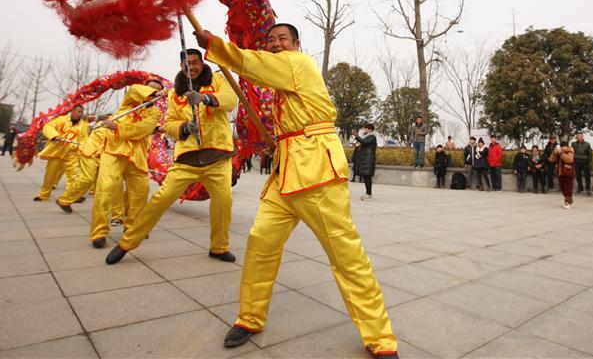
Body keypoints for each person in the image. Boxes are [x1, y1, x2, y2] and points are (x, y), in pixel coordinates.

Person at [195, 23, 397, 357]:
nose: (275, 44)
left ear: (296, 44)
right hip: (285, 173)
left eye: (282, 39)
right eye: (270, 40)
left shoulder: (298, 63)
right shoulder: (282, 80)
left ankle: (381, 339)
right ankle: (250, 317)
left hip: (317, 172)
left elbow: (254, 64)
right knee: (261, 242)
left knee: (345, 255)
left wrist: (215, 45)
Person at [106, 54, 237, 265]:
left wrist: (205, 99)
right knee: (160, 200)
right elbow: (168, 124)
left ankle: (219, 247)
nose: (191, 67)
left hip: (218, 156)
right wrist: (185, 127)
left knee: (224, 202)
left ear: (202, 63)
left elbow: (231, 100)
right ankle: (126, 243)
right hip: (187, 159)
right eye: (187, 64)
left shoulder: (218, 80)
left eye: (195, 63)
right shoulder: (175, 93)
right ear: (181, 66)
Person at [88, 81, 163, 248]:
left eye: (158, 90)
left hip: (137, 155)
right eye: (151, 88)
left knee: (141, 192)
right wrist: (152, 93)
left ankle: (132, 228)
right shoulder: (129, 102)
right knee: (105, 188)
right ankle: (99, 232)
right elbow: (135, 89)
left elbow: (143, 129)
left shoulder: (155, 113)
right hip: (113, 150)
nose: (154, 91)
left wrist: (118, 128)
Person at [55, 115, 125, 222]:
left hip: (103, 158)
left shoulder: (113, 126)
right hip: (90, 154)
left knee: (112, 183)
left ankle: (116, 214)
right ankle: (64, 200)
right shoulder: (102, 127)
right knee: (88, 178)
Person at [33, 106, 89, 202]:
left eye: (81, 112)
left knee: (74, 175)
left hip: (71, 154)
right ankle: (44, 195)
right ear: (72, 111)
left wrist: (82, 146)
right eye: (78, 112)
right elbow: (48, 126)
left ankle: (73, 195)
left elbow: (84, 138)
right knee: (50, 175)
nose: (80, 114)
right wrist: (54, 136)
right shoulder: (61, 119)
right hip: (56, 152)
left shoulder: (83, 125)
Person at [354, 123, 378, 200]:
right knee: (366, 177)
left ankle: (369, 194)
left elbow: (365, 142)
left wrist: (356, 136)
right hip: (365, 159)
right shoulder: (367, 136)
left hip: (369, 160)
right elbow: (363, 142)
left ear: (370, 129)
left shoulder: (372, 137)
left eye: (366, 128)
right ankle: (368, 193)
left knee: (367, 177)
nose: (365, 129)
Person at [549, 141, 576, 208]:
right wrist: (554, 153)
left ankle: (567, 202)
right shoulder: (558, 152)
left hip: (568, 172)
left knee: (568, 188)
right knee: (562, 188)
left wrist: (561, 153)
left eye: (564, 146)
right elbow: (552, 160)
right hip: (560, 172)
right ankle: (569, 200)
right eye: (561, 146)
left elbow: (570, 160)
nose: (563, 148)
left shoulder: (570, 151)